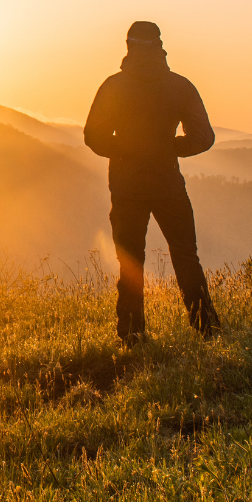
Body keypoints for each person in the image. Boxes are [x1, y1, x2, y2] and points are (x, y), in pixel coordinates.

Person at [83, 20, 218, 341]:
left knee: (131, 259)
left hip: (126, 185)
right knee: (186, 254)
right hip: (168, 183)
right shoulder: (180, 86)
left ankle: (132, 333)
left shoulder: (114, 86)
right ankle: (207, 329)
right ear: (159, 46)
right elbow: (204, 137)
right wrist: (167, 148)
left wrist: (128, 149)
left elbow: (93, 137)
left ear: (128, 46)